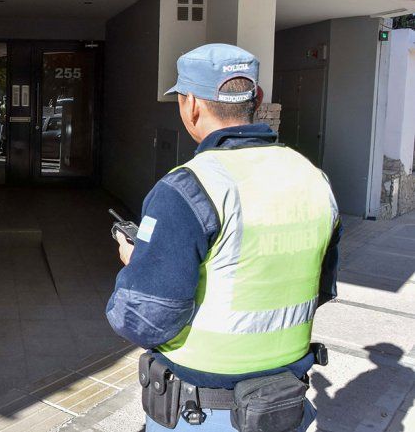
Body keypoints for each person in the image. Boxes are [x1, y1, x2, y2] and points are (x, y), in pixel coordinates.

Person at [107, 44, 342, 432]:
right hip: (286, 405)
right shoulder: (313, 178)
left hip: (204, 412)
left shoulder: (188, 188)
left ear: (191, 106)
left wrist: (139, 263)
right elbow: (322, 286)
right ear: (257, 99)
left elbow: (143, 319)